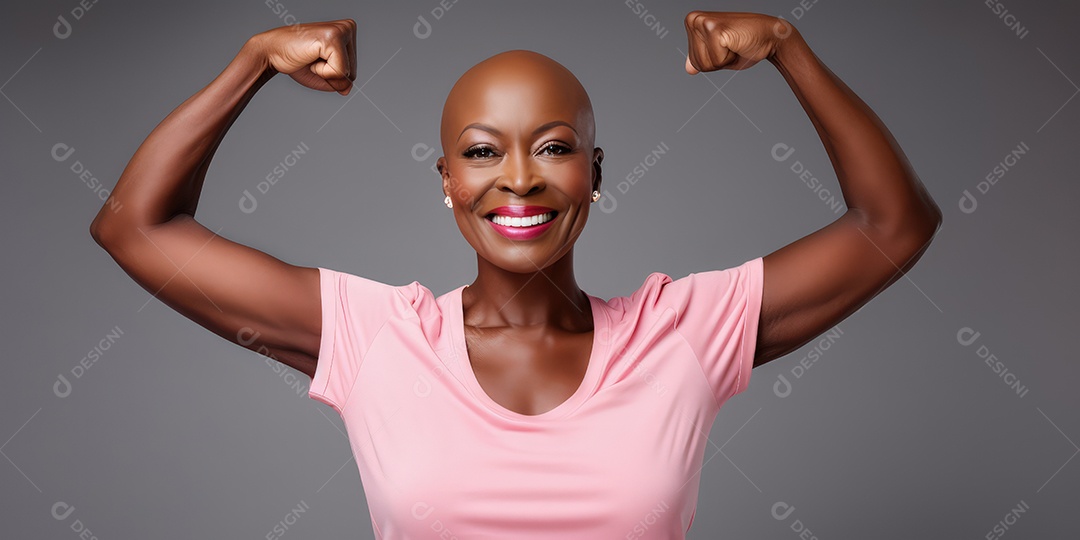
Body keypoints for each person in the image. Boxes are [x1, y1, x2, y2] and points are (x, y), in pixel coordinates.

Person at [89, 11, 941, 539]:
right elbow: (135, 225)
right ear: (446, 181)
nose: (521, 179)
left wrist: (790, 47)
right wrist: (254, 61)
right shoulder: (374, 337)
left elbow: (894, 224)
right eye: (483, 152)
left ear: (597, 174)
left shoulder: (680, 333)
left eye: (556, 148)